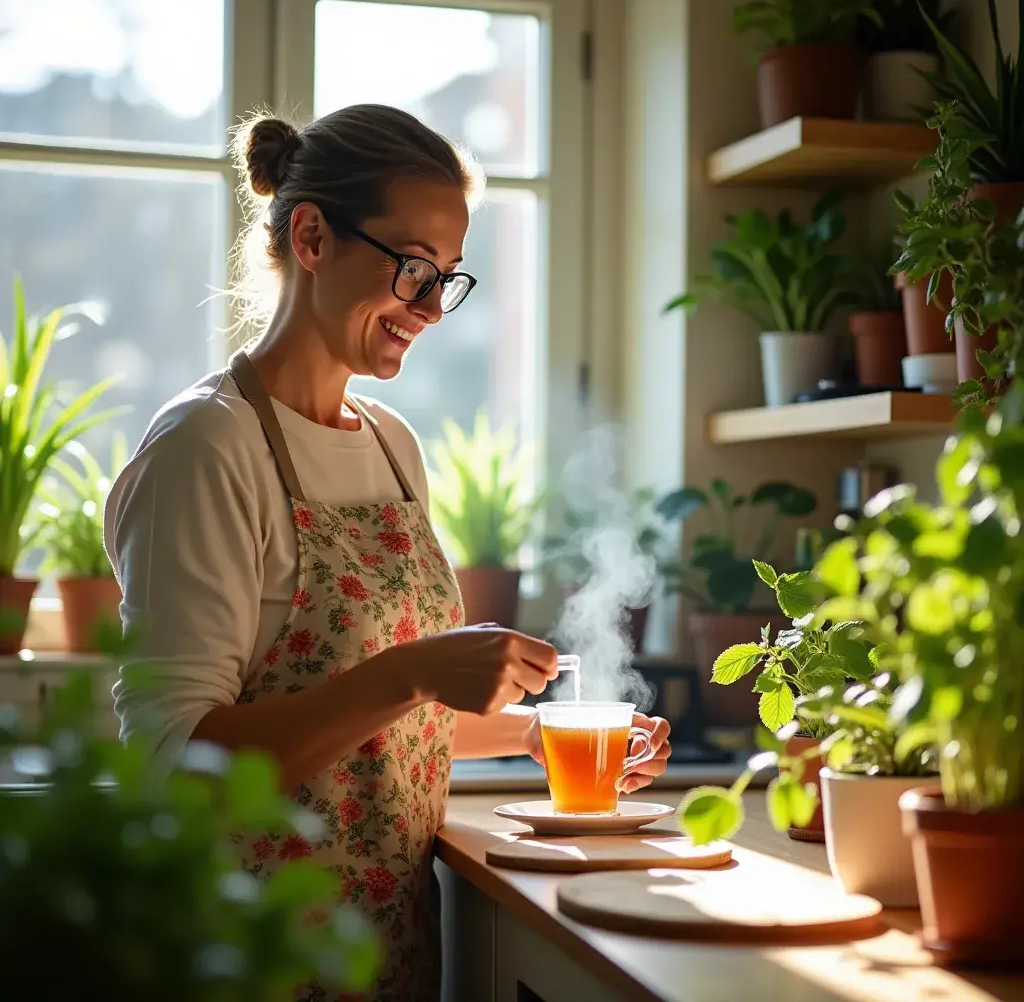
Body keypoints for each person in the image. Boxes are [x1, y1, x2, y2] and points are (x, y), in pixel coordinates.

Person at [104, 104, 672, 1001]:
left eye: (448, 278)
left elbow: (380, 734)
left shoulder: (390, 443)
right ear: (314, 236)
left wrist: (543, 737)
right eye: (412, 269)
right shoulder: (206, 449)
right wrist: (414, 671)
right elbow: (182, 766)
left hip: (384, 956)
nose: (431, 309)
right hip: (243, 959)